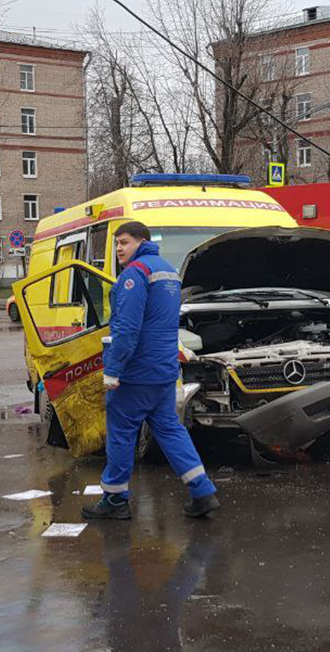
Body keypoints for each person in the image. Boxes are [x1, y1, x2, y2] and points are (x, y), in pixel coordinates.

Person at [82, 221, 219, 520]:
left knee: (121, 433)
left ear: (142, 242)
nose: (119, 248)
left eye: (125, 242)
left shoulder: (135, 274)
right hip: (164, 369)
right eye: (117, 243)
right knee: (170, 430)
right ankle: (202, 491)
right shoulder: (168, 271)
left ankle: (116, 500)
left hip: (136, 372)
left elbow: (127, 328)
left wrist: (114, 369)